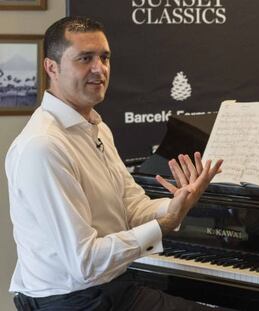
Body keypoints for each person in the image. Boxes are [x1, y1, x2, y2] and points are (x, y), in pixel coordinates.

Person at [5, 16, 226, 311]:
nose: (100, 69)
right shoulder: (44, 146)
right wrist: (164, 224)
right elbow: (84, 263)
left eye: (104, 57)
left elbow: (132, 208)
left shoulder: (97, 128)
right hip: (69, 301)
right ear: (51, 68)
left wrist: (176, 204)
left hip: (109, 288)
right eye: (85, 58)